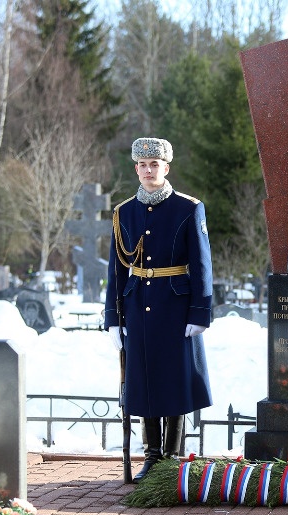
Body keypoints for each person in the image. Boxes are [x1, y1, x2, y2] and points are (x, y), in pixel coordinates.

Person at [104, 137, 213, 482]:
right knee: (144, 379)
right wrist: (112, 319)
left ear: (166, 167)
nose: (148, 170)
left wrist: (200, 312)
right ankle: (152, 456)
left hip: (176, 306)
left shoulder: (188, 208)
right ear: (136, 168)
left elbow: (202, 264)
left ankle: (172, 458)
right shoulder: (124, 212)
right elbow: (116, 270)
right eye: (143, 165)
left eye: (155, 164)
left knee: (175, 380)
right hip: (138, 306)